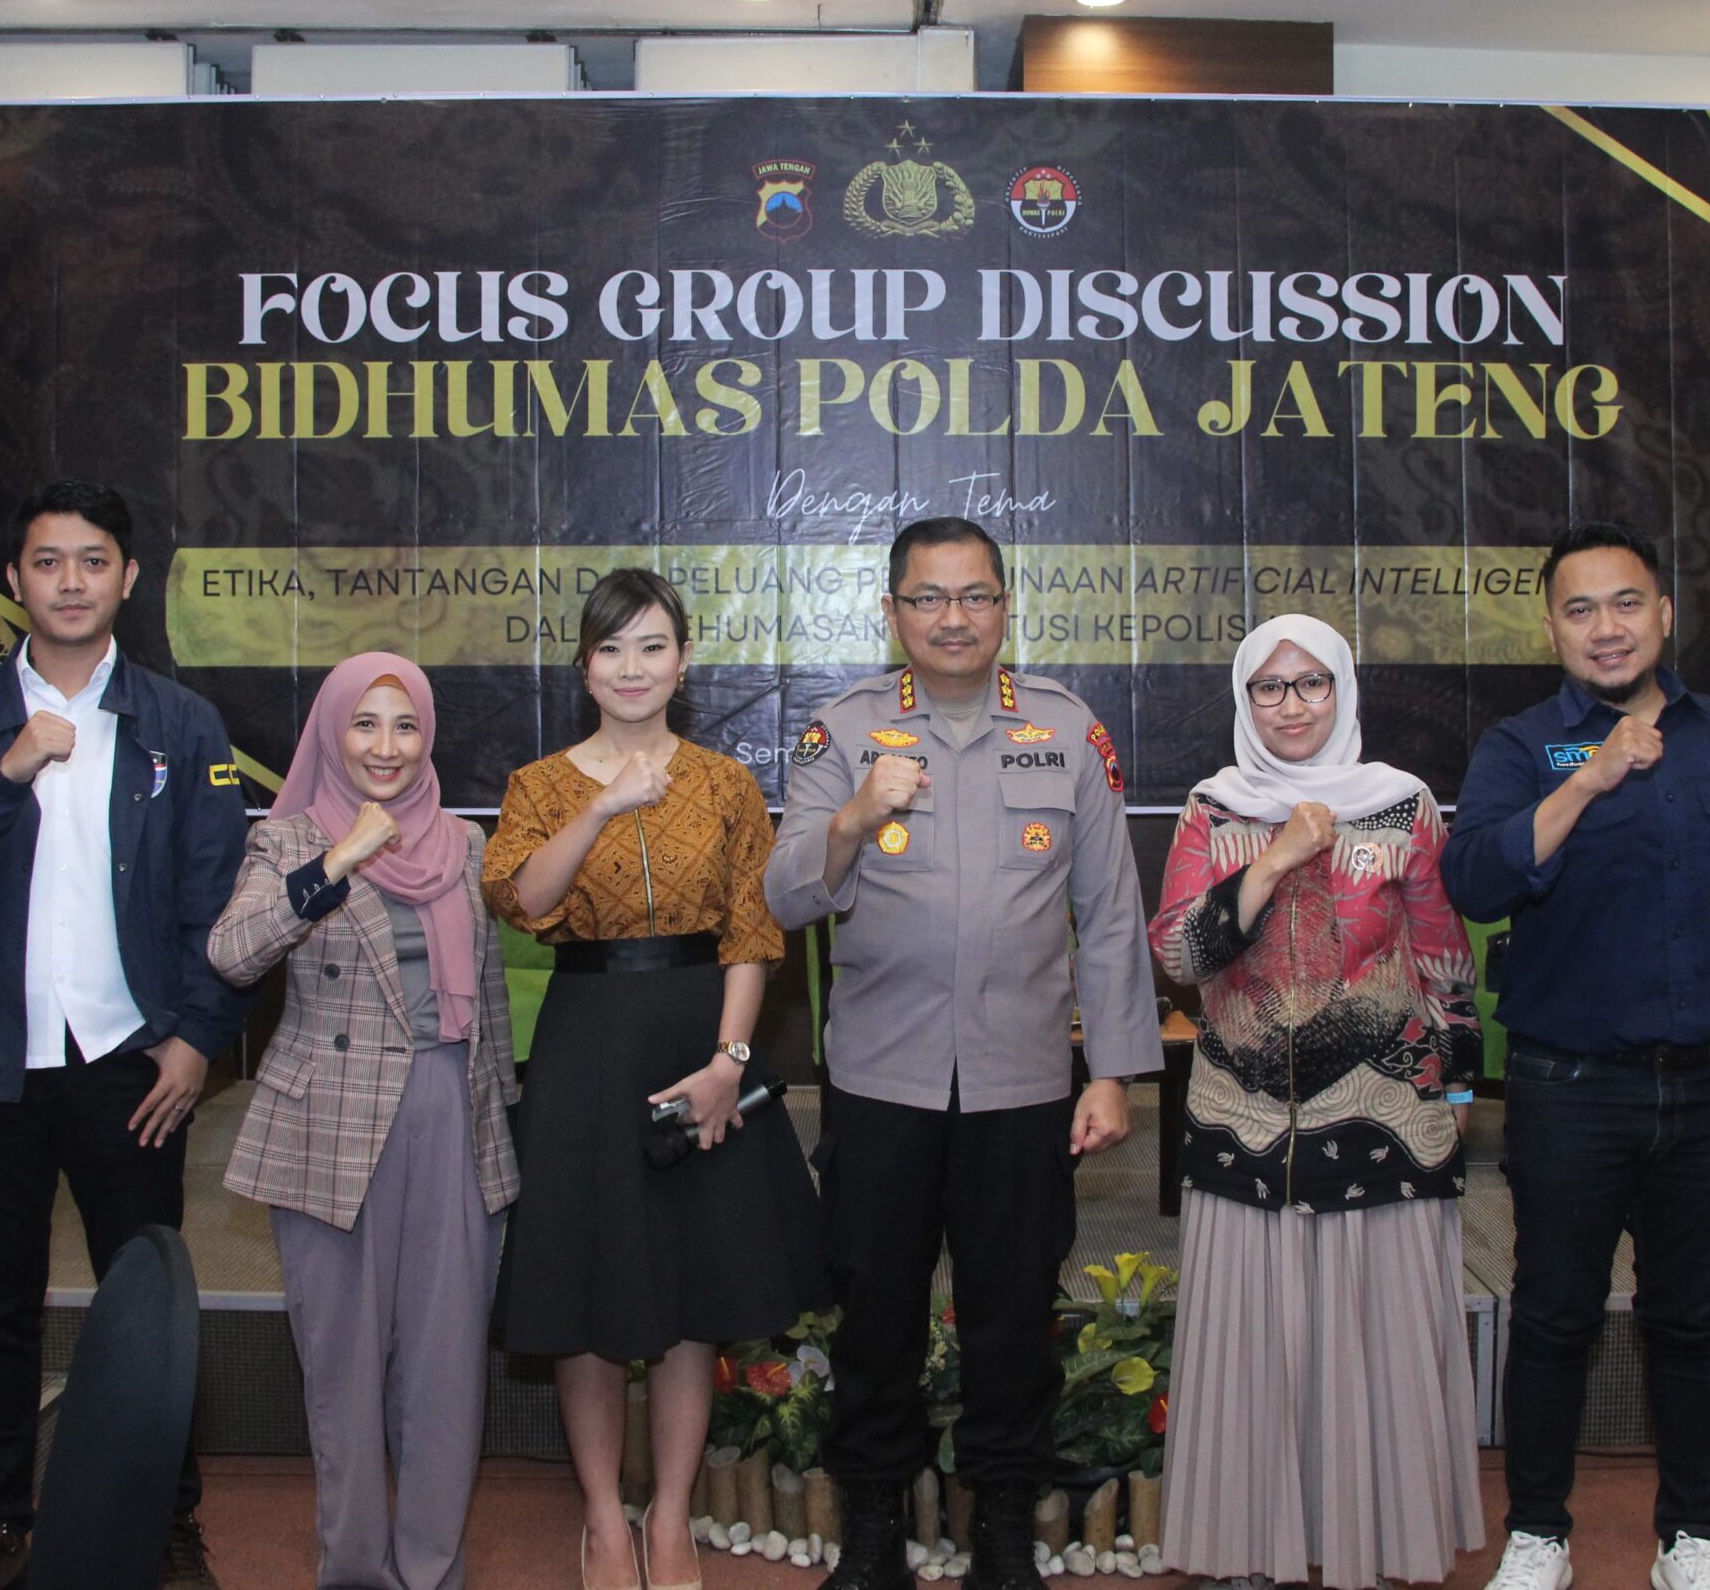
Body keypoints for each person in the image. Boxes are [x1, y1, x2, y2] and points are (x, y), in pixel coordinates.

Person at [765, 516, 1162, 1590]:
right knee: (875, 1314)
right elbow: (786, 894)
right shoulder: (844, 731)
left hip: (1023, 1082)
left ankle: (1002, 1529)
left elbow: (1108, 914)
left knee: (1013, 1316)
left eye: (975, 595)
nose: (954, 617)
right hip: (880, 1078)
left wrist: (1111, 1072)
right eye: (929, 597)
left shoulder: (1066, 729)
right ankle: (873, 1526)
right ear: (892, 612)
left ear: (1004, 607)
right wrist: (853, 816)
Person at [0, 479, 247, 1590]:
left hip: (131, 1066)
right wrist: (4, 774)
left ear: (127, 579)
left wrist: (197, 1038)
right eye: (47, 562)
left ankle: (169, 1521)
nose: (71, 582)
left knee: (150, 1301)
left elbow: (217, 902)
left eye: (93, 562)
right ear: (14, 580)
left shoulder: (181, 723)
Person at [1444, 522, 1710, 1590]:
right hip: (1569, 1086)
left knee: (1690, 1320)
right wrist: (1589, 780)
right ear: (1550, 628)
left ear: (1664, 613)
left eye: (1625, 602)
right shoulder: (1521, 746)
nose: (1605, 627)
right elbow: (1476, 881)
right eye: (1579, 609)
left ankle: (1691, 1535)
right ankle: (1538, 1533)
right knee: (1553, 1316)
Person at [484, 568, 824, 1590]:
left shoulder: (725, 784)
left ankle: (670, 1514)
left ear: (682, 662)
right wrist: (600, 806)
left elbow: (753, 934)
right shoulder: (540, 785)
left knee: (688, 1294)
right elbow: (521, 898)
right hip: (587, 1046)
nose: (631, 668)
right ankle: (602, 1517)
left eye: (652, 646)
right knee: (590, 1294)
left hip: (700, 1037)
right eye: (610, 648)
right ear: (583, 666)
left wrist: (729, 1064)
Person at [1148, 614, 1486, 1589]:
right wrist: (1271, 859)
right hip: (1245, 1122)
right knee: (1253, 1344)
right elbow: (1178, 954)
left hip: (1386, 1120)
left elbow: (1445, 962)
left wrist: (1462, 1083)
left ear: (1342, 690)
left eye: (1311, 683)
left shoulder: (1402, 805)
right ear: (1243, 699)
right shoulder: (1215, 808)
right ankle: (1247, 1545)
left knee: (1375, 1342)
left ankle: (1376, 1541)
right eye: (1269, 686)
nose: (1291, 705)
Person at [209, 652, 519, 1590]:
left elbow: (489, 997)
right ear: (331, 733)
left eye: (406, 726)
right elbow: (232, 954)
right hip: (332, 1127)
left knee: (447, 1370)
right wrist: (335, 863)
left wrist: (499, 1126)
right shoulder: (290, 839)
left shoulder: (464, 844)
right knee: (341, 1372)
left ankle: (430, 1570)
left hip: (452, 1114)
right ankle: (351, 1571)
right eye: (366, 724)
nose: (387, 747)